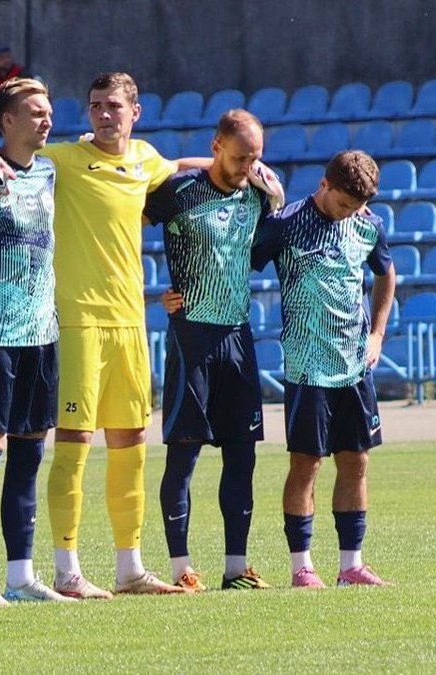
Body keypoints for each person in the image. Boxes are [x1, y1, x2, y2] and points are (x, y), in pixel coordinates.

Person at [37, 72, 186, 598]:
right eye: (96, 105)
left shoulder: (145, 159)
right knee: (74, 443)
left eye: (114, 106)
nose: (104, 114)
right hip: (78, 320)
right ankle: (66, 570)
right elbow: (8, 156)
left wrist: (248, 168)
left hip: (130, 322)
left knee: (132, 443)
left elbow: (181, 168)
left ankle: (130, 568)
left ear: (134, 112)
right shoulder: (62, 159)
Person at [143, 109, 275, 592]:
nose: (247, 167)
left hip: (237, 337)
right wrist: (151, 294)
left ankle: (236, 568)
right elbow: (119, 228)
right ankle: (181, 568)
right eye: (239, 157)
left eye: (255, 158)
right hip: (191, 337)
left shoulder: (259, 195)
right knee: (184, 456)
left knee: (242, 456)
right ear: (216, 146)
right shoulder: (178, 192)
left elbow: (265, 248)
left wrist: (274, 191)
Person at [250, 150, 394, 589]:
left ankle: (351, 566)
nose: (348, 212)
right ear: (324, 185)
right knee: (306, 464)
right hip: (306, 368)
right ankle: (302, 567)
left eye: (356, 206)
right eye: (343, 203)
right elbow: (242, 260)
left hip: (354, 367)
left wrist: (377, 335)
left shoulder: (368, 225)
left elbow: (386, 274)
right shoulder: (286, 224)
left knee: (356, 462)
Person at [0, 77, 71, 605]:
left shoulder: (48, 170)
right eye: (35, 112)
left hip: (41, 333)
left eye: (48, 112)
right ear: (6, 121)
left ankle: (22, 576)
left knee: (29, 455)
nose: (47, 120)